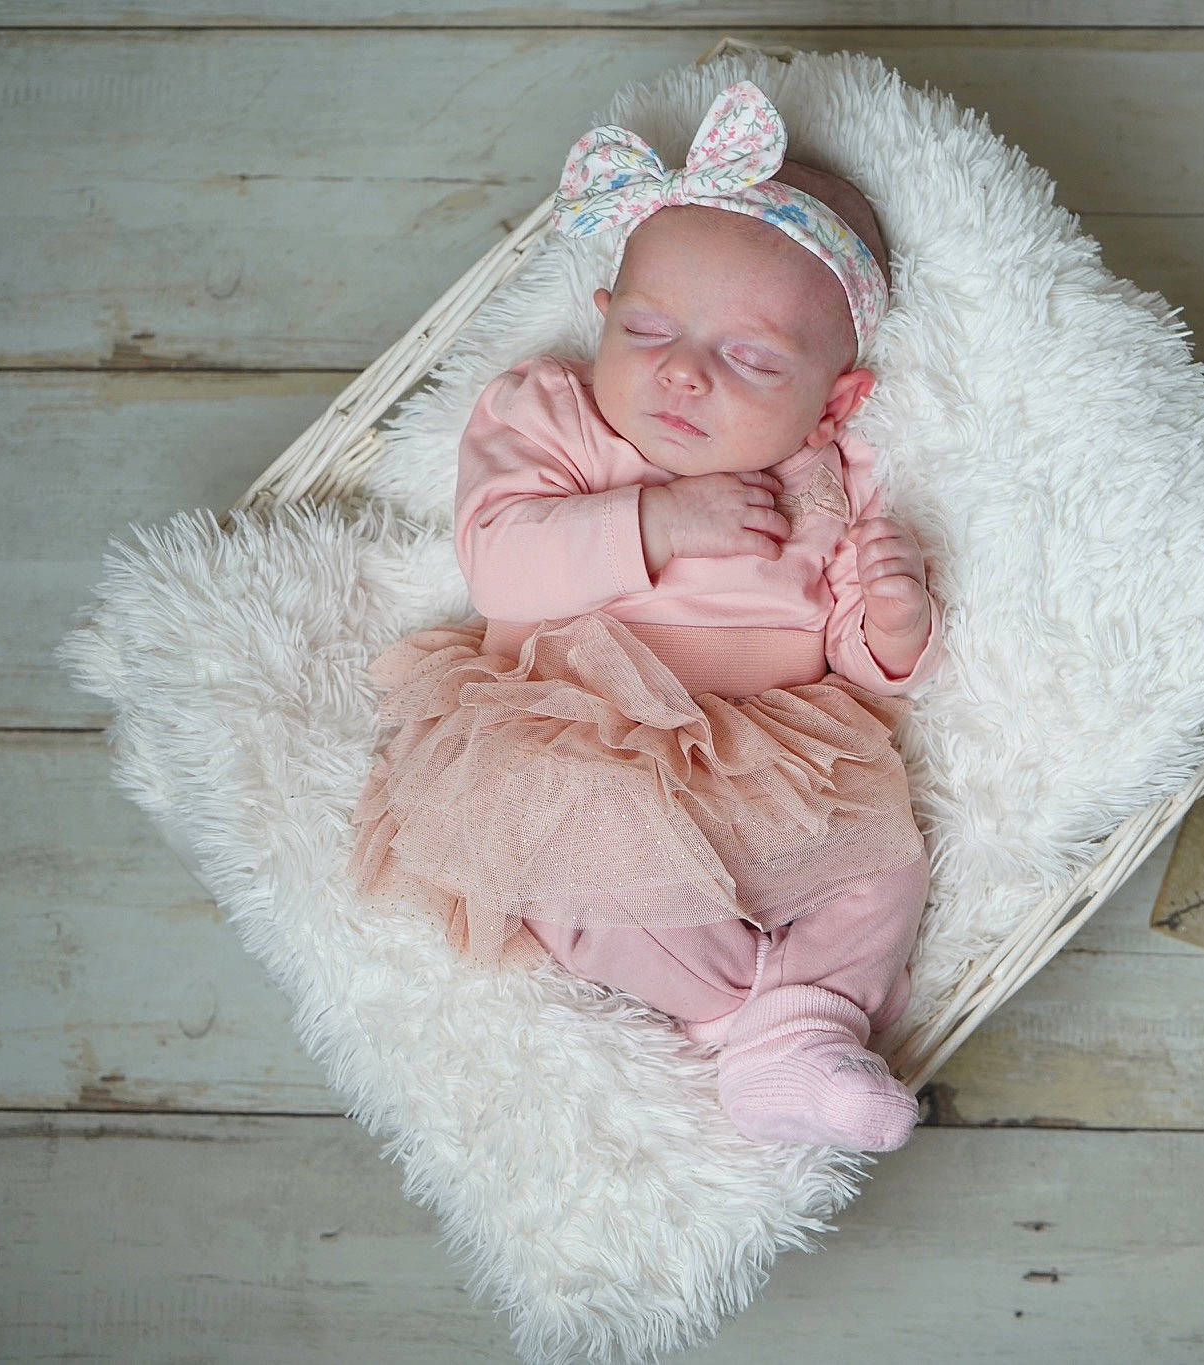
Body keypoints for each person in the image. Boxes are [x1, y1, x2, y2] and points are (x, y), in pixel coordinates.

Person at [346, 81, 942, 1152]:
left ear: (834, 402)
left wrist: (891, 623)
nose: (681, 372)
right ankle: (760, 1023)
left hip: (765, 761)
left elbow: (849, 662)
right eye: (650, 327)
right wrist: (654, 521)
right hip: (580, 736)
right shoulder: (557, 417)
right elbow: (501, 565)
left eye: (750, 357)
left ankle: (793, 1025)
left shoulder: (828, 480)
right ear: (603, 315)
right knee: (577, 855)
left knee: (884, 859)